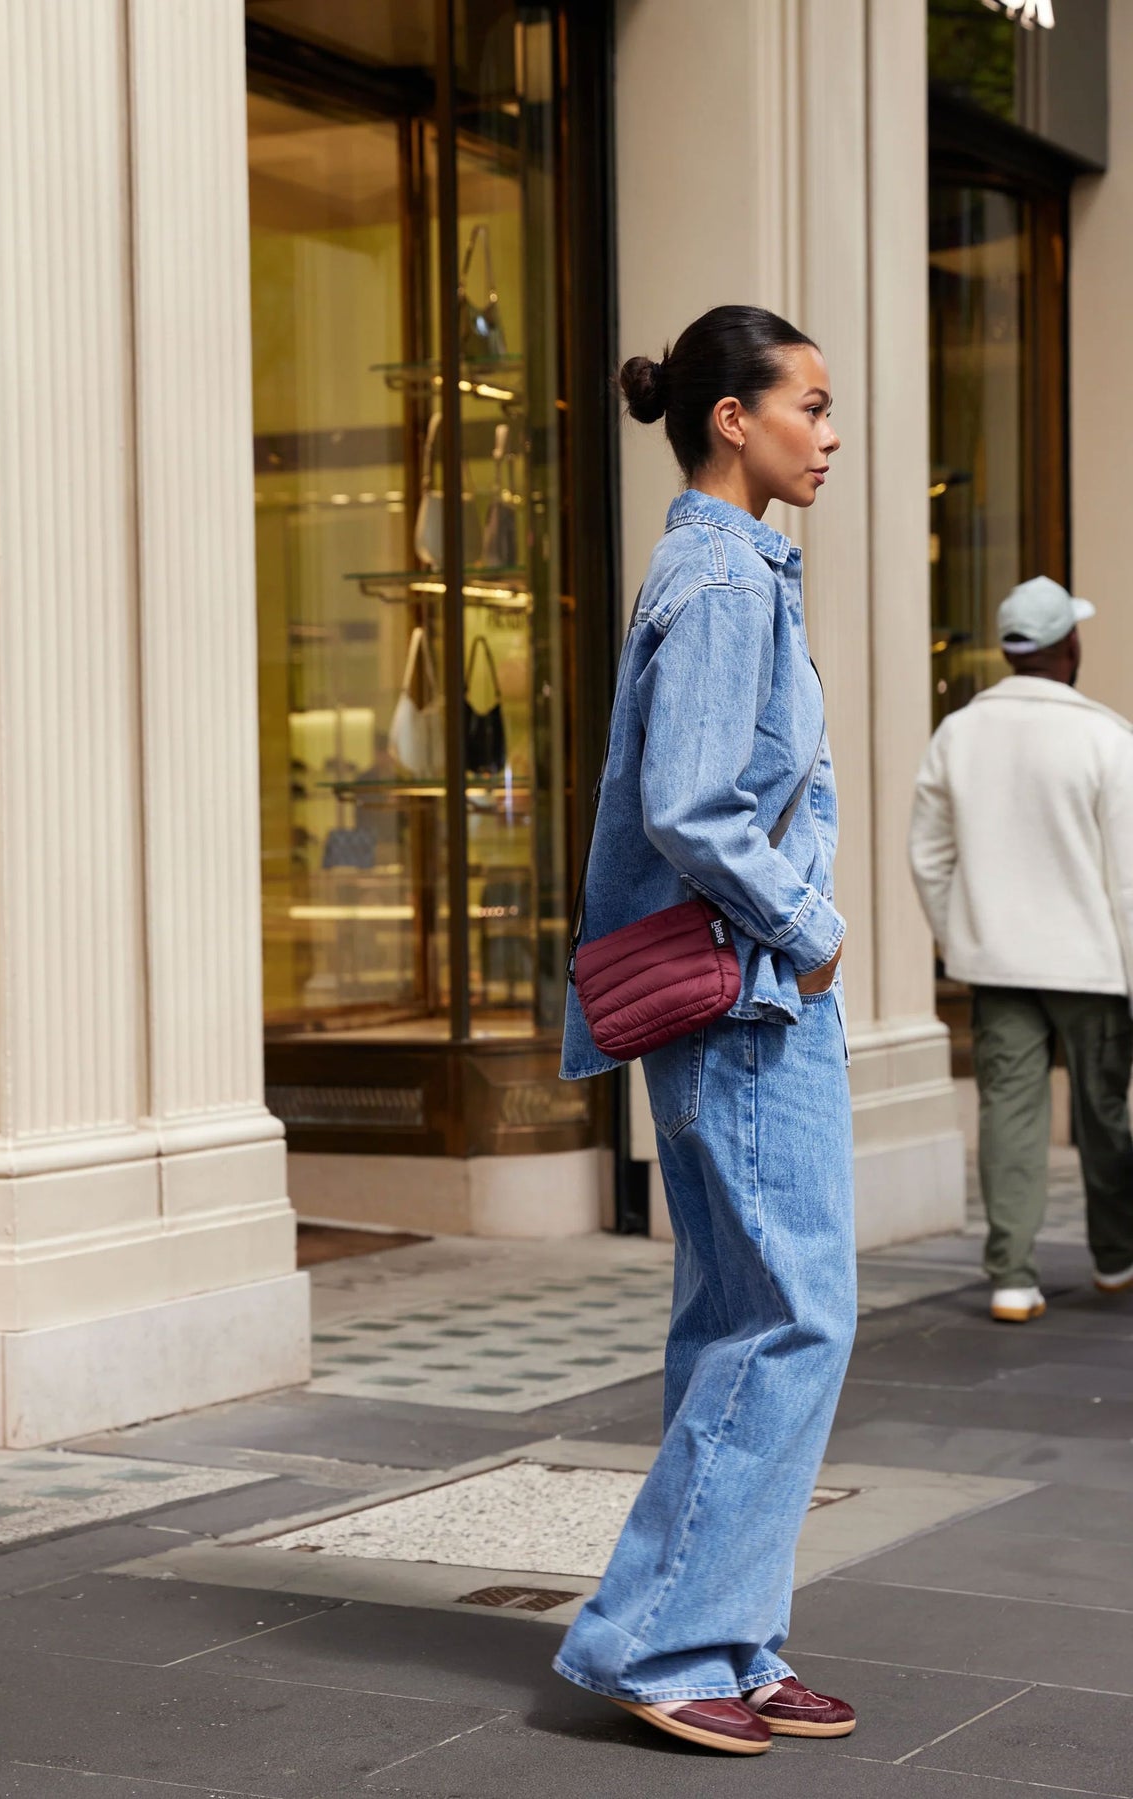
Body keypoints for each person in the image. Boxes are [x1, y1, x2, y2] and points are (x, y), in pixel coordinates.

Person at [555, 306, 856, 1756]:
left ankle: (730, 1633)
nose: (831, 430)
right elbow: (691, 805)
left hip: (740, 992)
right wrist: (810, 925)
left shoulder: (729, 566)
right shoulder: (727, 577)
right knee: (798, 1309)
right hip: (744, 995)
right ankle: (662, 1635)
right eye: (809, 402)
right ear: (732, 417)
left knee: (737, 1314)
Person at [910, 576, 1133, 1323]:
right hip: (1094, 967)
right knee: (1103, 1113)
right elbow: (1128, 881)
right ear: (1069, 646)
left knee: (1009, 1110)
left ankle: (1011, 1277)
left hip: (995, 962)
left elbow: (929, 858)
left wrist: (961, 934)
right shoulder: (1106, 737)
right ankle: (1114, 1257)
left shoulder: (958, 733)